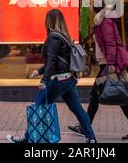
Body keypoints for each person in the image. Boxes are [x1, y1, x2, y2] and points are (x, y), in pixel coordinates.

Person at [7, 9, 97, 143]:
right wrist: (39, 70)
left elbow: (52, 61)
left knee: (38, 106)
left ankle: (27, 137)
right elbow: (57, 60)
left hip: (58, 80)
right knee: (77, 108)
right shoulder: (64, 35)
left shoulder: (53, 37)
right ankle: (91, 138)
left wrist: (44, 80)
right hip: (68, 79)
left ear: (48, 21)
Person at [68, 1, 128, 141]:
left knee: (111, 92)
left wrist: (110, 65)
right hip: (107, 64)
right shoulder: (101, 21)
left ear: (93, 8)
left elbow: (111, 44)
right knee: (100, 94)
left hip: (108, 65)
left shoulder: (104, 22)